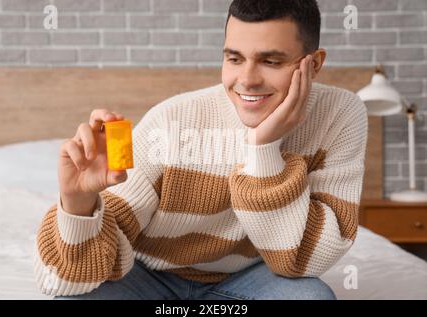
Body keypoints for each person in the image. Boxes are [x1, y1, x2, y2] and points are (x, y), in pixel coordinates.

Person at [34, 0, 367, 300]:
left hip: (254, 279)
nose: (247, 79)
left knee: (310, 298)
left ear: (314, 64)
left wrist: (263, 148)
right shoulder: (171, 121)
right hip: (149, 277)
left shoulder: (339, 114)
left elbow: (304, 262)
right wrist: (78, 204)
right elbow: (61, 282)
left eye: (271, 61)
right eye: (234, 58)